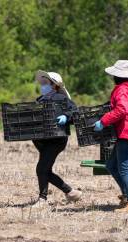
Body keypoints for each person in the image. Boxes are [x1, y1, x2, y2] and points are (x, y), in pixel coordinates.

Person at [94, 60, 128, 212]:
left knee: (123, 169)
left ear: (118, 76)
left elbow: (122, 110)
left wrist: (103, 121)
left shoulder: (122, 89)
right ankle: (127, 195)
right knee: (111, 165)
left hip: (126, 132)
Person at [32, 70, 82, 208]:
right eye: (42, 83)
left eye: (46, 83)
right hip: (42, 140)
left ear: (55, 86)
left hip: (56, 140)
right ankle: (71, 193)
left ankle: (42, 199)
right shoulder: (39, 101)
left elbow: (75, 111)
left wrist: (66, 116)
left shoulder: (62, 99)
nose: (43, 86)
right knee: (44, 169)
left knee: (41, 169)